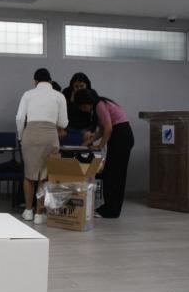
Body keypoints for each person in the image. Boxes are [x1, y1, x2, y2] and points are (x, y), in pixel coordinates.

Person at [16, 68, 68, 224]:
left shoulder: (28, 94)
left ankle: (27, 211)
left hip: (30, 134)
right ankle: (39, 214)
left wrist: (21, 135)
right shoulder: (59, 96)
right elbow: (63, 122)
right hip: (49, 135)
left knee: (29, 174)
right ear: (51, 81)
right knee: (44, 176)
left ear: (35, 81)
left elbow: (19, 118)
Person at [74, 89, 134, 218]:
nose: (84, 109)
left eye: (83, 106)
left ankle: (112, 210)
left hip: (121, 137)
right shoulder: (101, 105)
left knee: (115, 174)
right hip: (122, 136)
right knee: (112, 173)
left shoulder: (100, 105)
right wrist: (89, 142)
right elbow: (101, 130)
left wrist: (100, 146)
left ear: (87, 102)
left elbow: (109, 129)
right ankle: (110, 207)